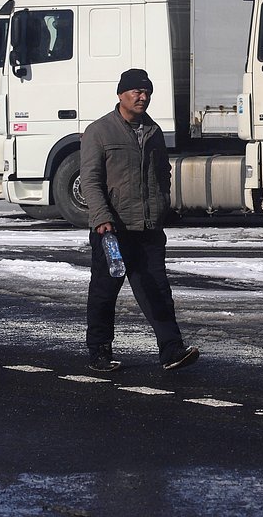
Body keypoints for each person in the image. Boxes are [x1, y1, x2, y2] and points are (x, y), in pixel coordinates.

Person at [80, 68, 199, 372]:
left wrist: (163, 205)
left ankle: (172, 350)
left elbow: (163, 174)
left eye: (146, 92)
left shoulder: (154, 131)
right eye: (136, 91)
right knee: (105, 293)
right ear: (121, 94)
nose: (142, 97)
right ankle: (99, 351)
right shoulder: (100, 131)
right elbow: (90, 180)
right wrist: (101, 218)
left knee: (157, 290)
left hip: (148, 229)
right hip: (113, 231)